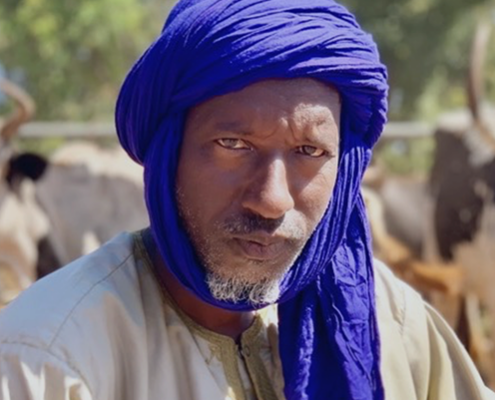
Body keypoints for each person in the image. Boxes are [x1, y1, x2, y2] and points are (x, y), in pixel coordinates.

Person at [0, 0, 494, 399]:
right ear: (168, 151)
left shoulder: (392, 323)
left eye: (310, 151)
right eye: (233, 145)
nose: (272, 200)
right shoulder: (49, 360)